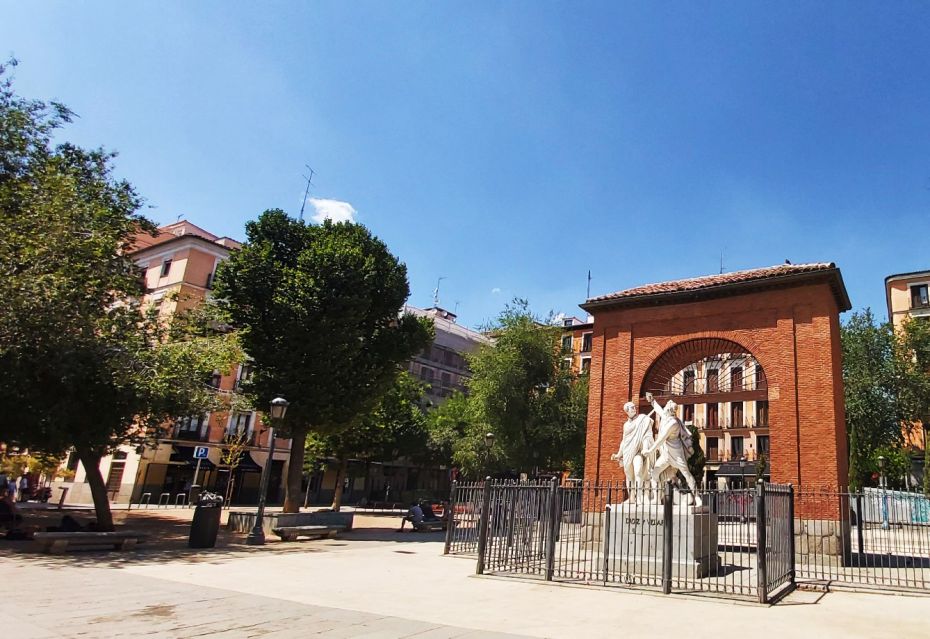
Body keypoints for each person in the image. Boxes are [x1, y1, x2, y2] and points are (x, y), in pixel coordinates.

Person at [642, 392, 702, 507]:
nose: (665, 409)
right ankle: (656, 498)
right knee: (655, 473)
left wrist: (650, 451)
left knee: (687, 474)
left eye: (667, 408)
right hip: (666, 454)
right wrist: (652, 401)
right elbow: (659, 410)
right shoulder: (666, 417)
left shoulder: (673, 423)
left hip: (676, 453)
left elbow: (661, 439)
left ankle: (697, 497)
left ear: (669, 410)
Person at [610, 401, 655, 503]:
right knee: (630, 476)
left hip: (638, 451)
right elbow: (624, 441)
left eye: (634, 407)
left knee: (638, 470)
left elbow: (647, 435)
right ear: (627, 411)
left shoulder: (642, 418)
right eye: (631, 408)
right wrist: (618, 454)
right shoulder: (626, 425)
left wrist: (646, 447)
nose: (634, 408)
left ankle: (639, 496)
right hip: (627, 452)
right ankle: (632, 497)